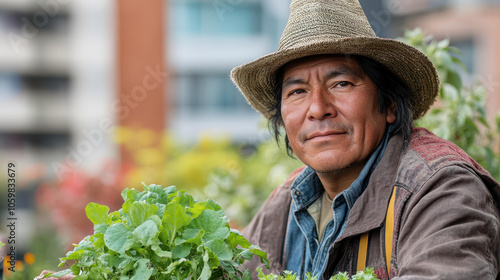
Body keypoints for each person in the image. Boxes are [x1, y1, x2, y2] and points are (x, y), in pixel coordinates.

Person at [230, 0, 500, 279]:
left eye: (341, 84)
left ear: (391, 104)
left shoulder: (441, 190)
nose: (318, 108)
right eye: (298, 91)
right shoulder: (287, 203)